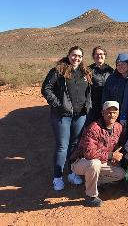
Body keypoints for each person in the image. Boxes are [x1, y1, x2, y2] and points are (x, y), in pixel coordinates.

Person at [41, 46, 92, 191]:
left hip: (80, 115)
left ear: (82, 58)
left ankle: (72, 173)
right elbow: (46, 88)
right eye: (74, 55)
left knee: (74, 145)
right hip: (62, 115)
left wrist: (88, 106)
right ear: (69, 55)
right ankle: (57, 177)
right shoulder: (59, 70)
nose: (76, 58)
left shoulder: (85, 72)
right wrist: (57, 105)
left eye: (79, 56)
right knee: (62, 146)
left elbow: (88, 92)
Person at [70, 101, 125, 207]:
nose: (112, 115)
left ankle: (94, 182)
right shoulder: (94, 128)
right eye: (108, 112)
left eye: (114, 112)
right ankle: (91, 196)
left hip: (101, 161)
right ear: (102, 113)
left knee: (120, 174)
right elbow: (89, 153)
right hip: (80, 161)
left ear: (118, 114)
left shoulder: (118, 127)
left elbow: (121, 142)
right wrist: (111, 155)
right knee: (94, 164)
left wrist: (117, 152)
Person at [87, 46, 114, 123]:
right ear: (93, 56)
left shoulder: (111, 70)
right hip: (93, 105)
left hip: (107, 104)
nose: (99, 56)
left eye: (101, 54)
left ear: (105, 56)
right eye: (97, 54)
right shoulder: (88, 70)